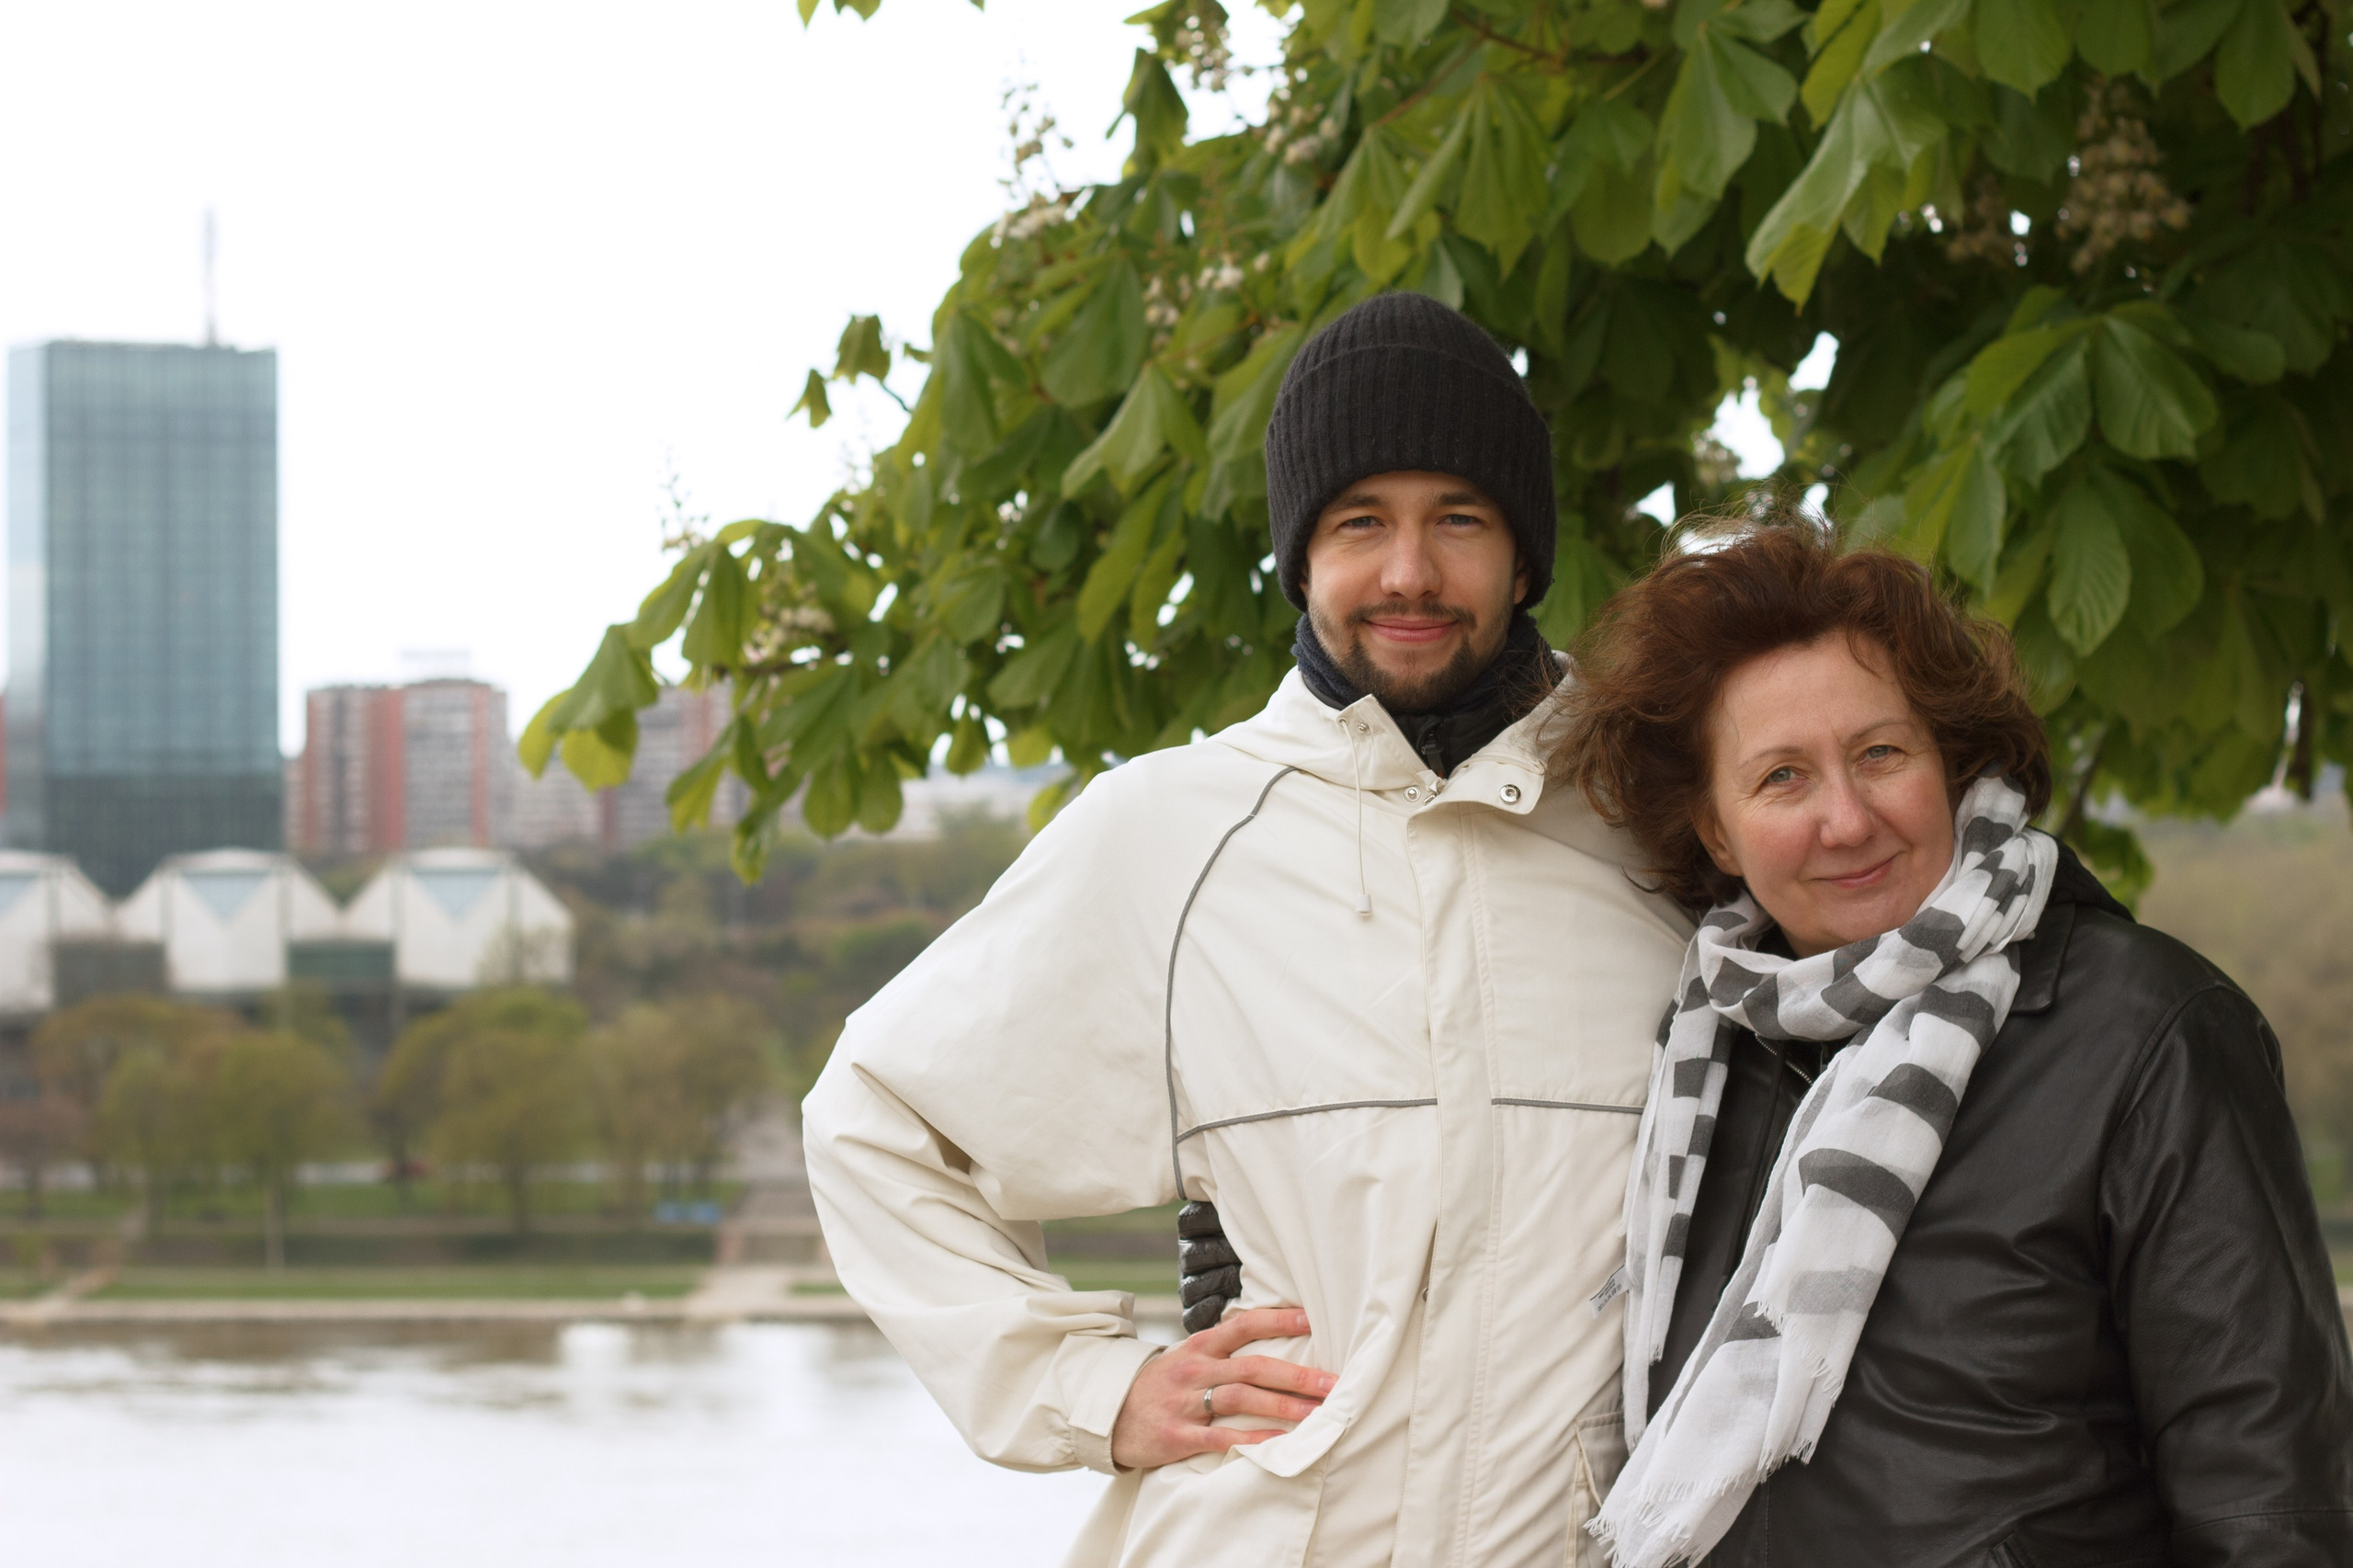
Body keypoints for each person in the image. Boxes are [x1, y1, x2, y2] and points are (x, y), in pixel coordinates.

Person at [800, 292, 1690, 1567]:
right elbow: (875, 1121)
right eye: (1359, 523)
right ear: (1301, 554)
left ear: (1525, 554)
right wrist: (1094, 1388)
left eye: (1461, 519)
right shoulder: (1171, 830)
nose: (1410, 573)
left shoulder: (1655, 824)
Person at [1550, 520, 2353, 1567]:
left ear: (1951, 761)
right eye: (1781, 777)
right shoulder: (1702, 1059)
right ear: (1713, 828)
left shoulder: (2145, 1027)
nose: (1845, 818)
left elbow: (2270, 1505)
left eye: (1880, 752)